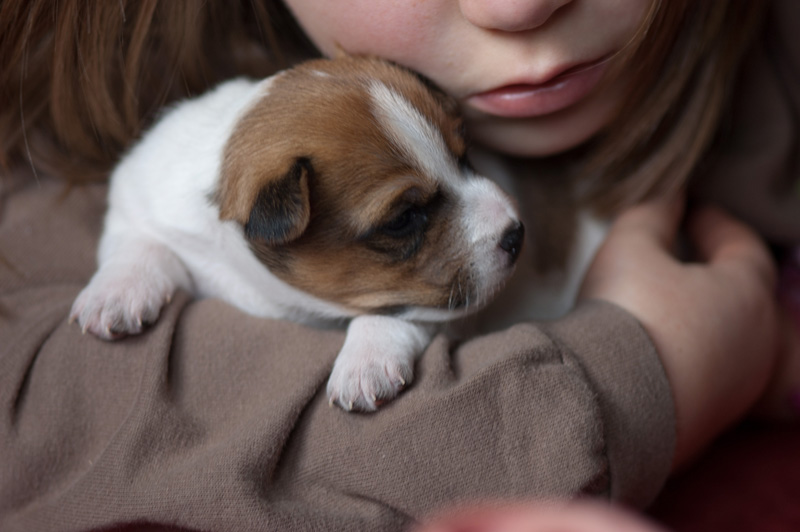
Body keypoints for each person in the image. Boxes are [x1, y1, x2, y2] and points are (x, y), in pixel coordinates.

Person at [1, 1, 799, 531]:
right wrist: (651, 371)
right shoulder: (101, 174)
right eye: (407, 220)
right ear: (273, 226)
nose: (500, 216)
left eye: (461, 153)